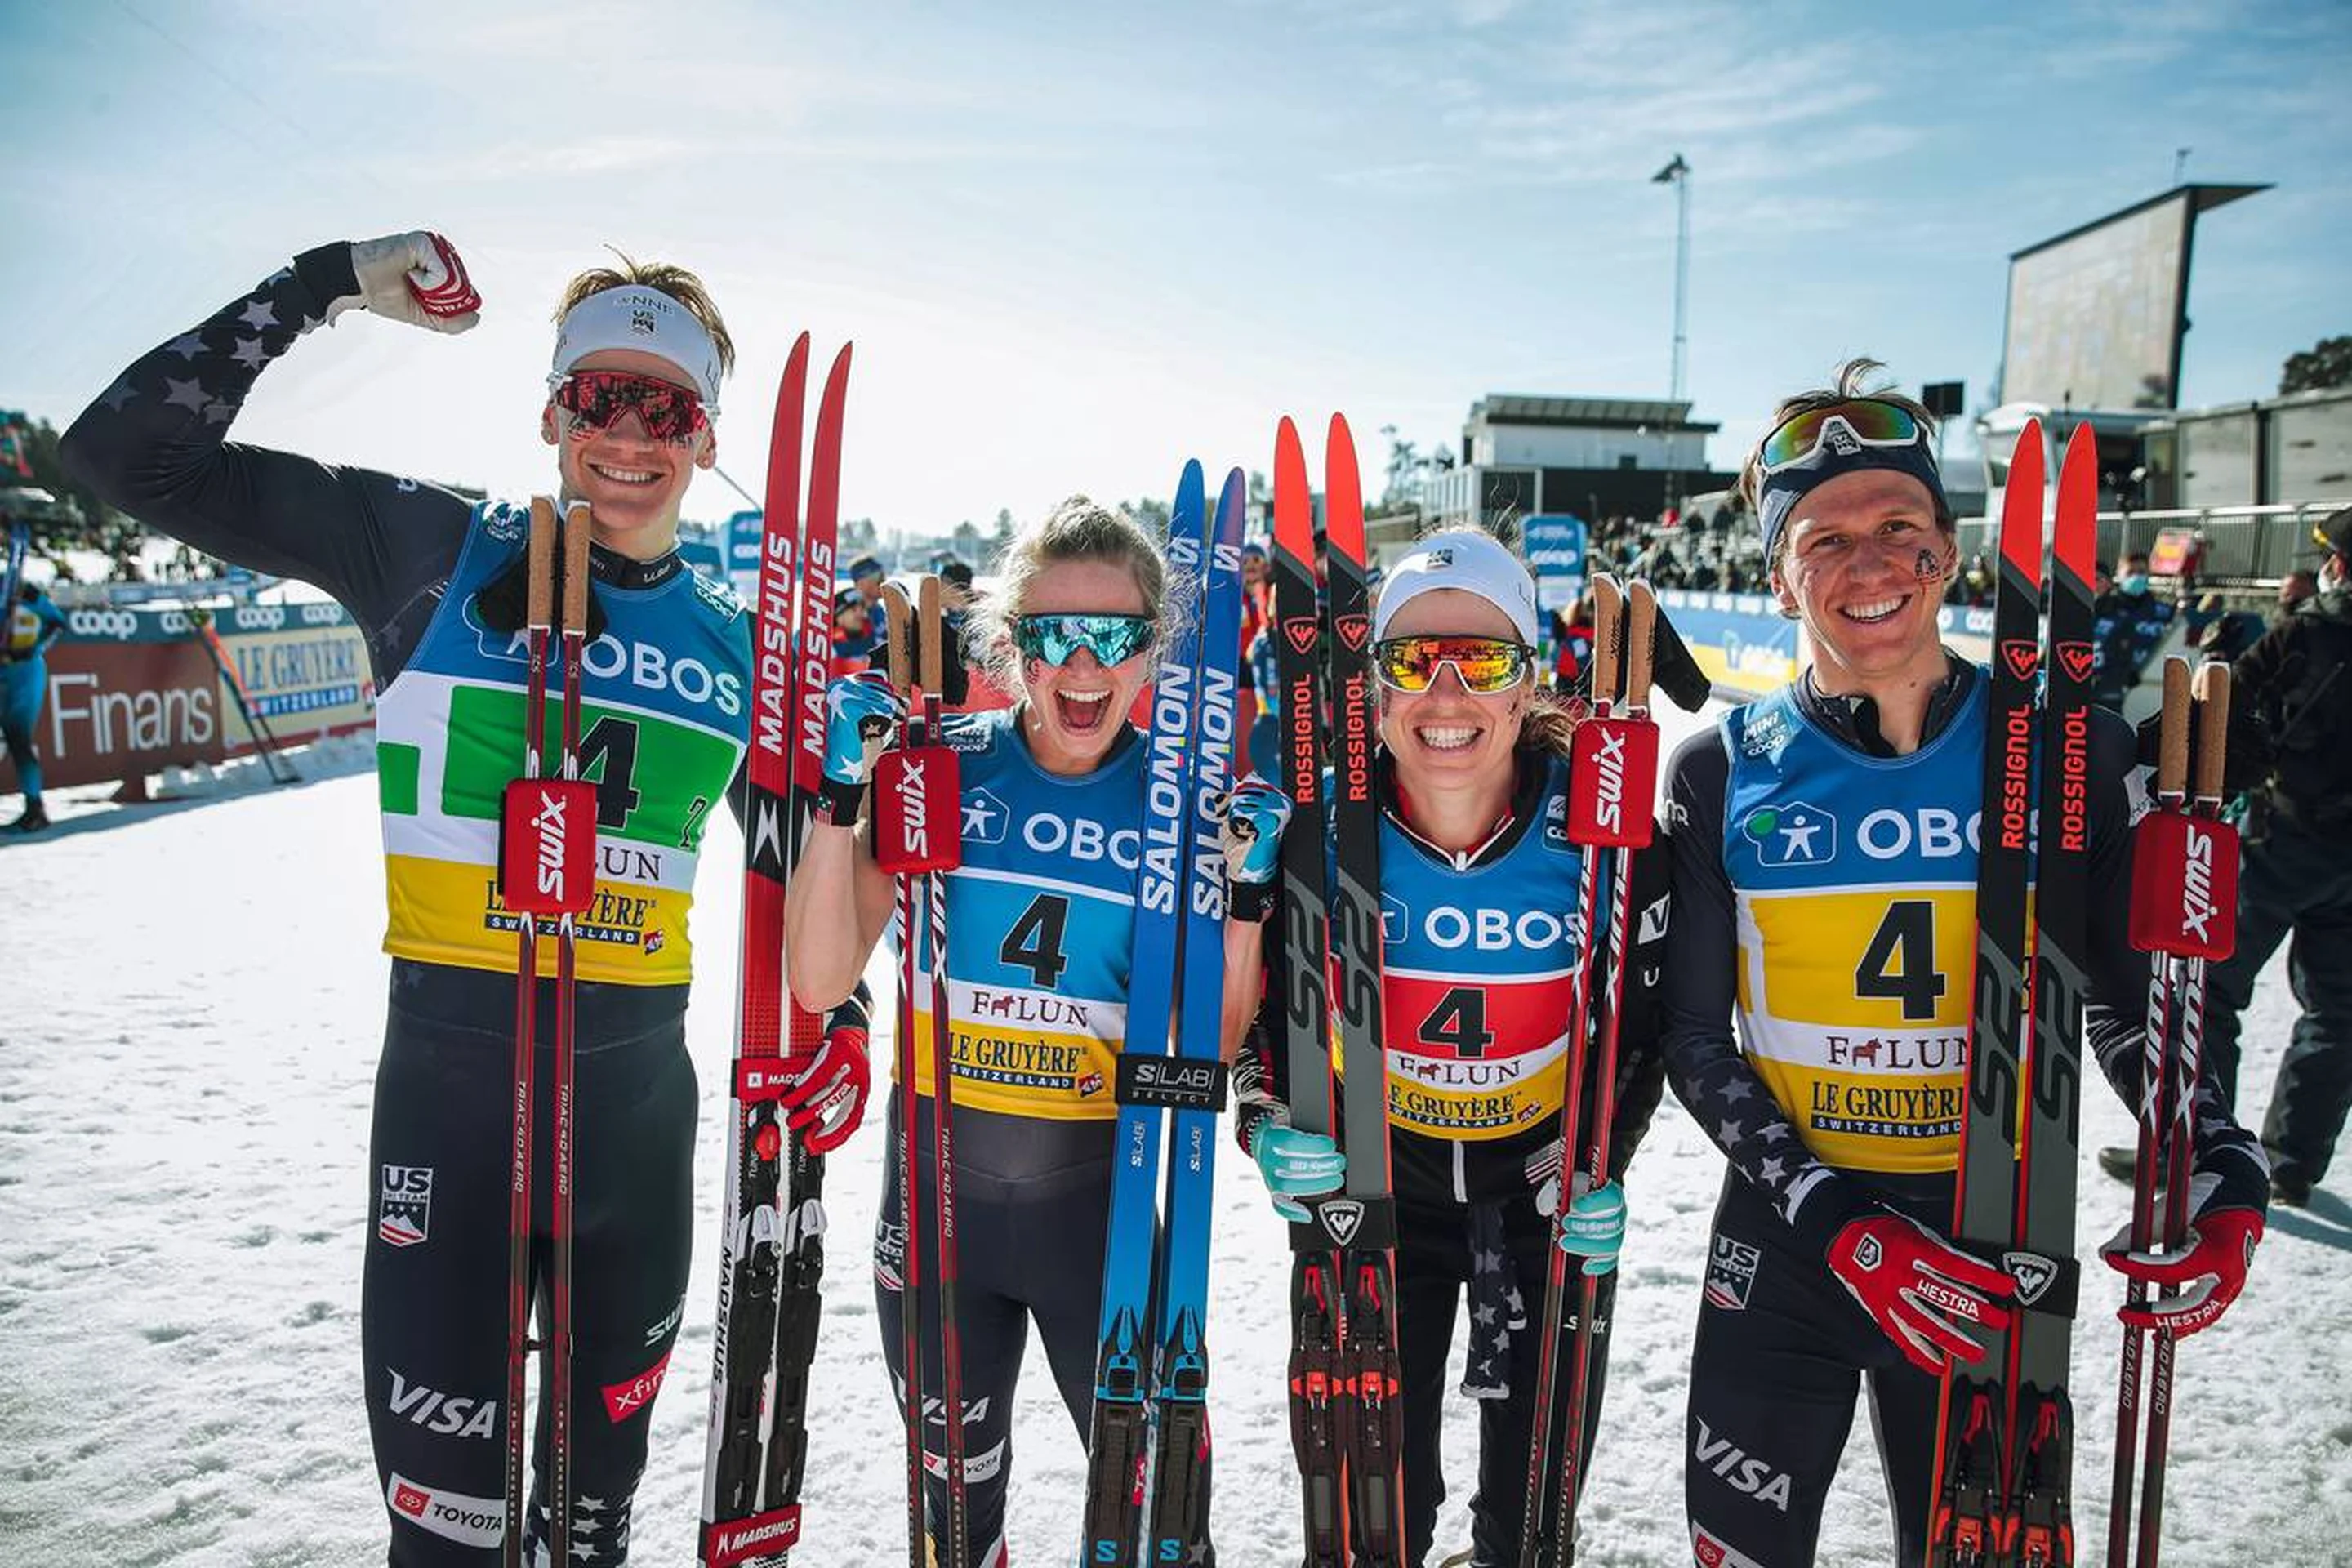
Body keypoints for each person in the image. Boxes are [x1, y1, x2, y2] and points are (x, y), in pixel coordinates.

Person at [60, 231, 854, 1565]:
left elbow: (804, 881)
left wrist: (848, 1024)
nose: (628, 435)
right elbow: (119, 457)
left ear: (706, 435)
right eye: (598, 397)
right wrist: (321, 284)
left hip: (636, 1136)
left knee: (591, 1540)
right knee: (447, 1548)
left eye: (665, 409)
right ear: (552, 413)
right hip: (451, 1117)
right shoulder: (429, 548)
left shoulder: (739, 642)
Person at [1657, 360, 2270, 1567]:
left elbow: (2126, 1009)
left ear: (1950, 550)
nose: (1870, 564)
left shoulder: (2074, 751)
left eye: (1900, 527)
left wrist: (2215, 1154)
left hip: (1995, 1229)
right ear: (1778, 577)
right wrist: (1836, 1218)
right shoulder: (1724, 769)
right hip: (1792, 1238)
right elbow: (1691, 1038)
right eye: (1824, 541)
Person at [786, 496, 1224, 1568]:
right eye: (1053, 633)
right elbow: (819, 977)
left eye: (1114, 635)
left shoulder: (1176, 804)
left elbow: (1203, 1042)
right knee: (954, 1535)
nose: (1083, 663)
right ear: (1011, 642)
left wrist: (1240, 892)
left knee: (1162, 1531)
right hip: (937, 1221)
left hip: (1102, 1225)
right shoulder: (938, 766)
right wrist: (841, 794)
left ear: (1152, 650)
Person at [1222, 529, 1673, 1567]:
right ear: (1375, 688)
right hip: (1378, 1194)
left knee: (1529, 1531)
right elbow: (1264, 1021)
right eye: (1415, 659)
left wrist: (1604, 1160)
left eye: (1485, 660)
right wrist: (1265, 1121)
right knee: (1368, 1527)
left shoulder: (1603, 837)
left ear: (1528, 683)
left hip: (1540, 1205)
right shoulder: (1315, 833)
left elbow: (1643, 1030)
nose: (1448, 692)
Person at [2101, 507, 2352, 1208]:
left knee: (2206, 994)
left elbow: (2224, 704)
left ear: (2338, 566)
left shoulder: (2306, 632)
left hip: (2279, 842)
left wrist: (2217, 659)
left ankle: (2192, 1149)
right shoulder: (2305, 628)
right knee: (2338, 1013)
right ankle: (2292, 1162)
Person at [2, 572, 69, 831]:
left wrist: (33, 648)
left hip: (24, 674)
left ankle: (35, 808)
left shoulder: (19, 589)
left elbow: (57, 622)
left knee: (18, 738)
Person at [2091, 548, 2173, 711]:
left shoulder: (2164, 612)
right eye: (2130, 572)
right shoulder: (2105, 608)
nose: (2136, 577)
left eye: (2141, 572)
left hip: (2150, 685)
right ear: (2119, 574)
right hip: (2108, 685)